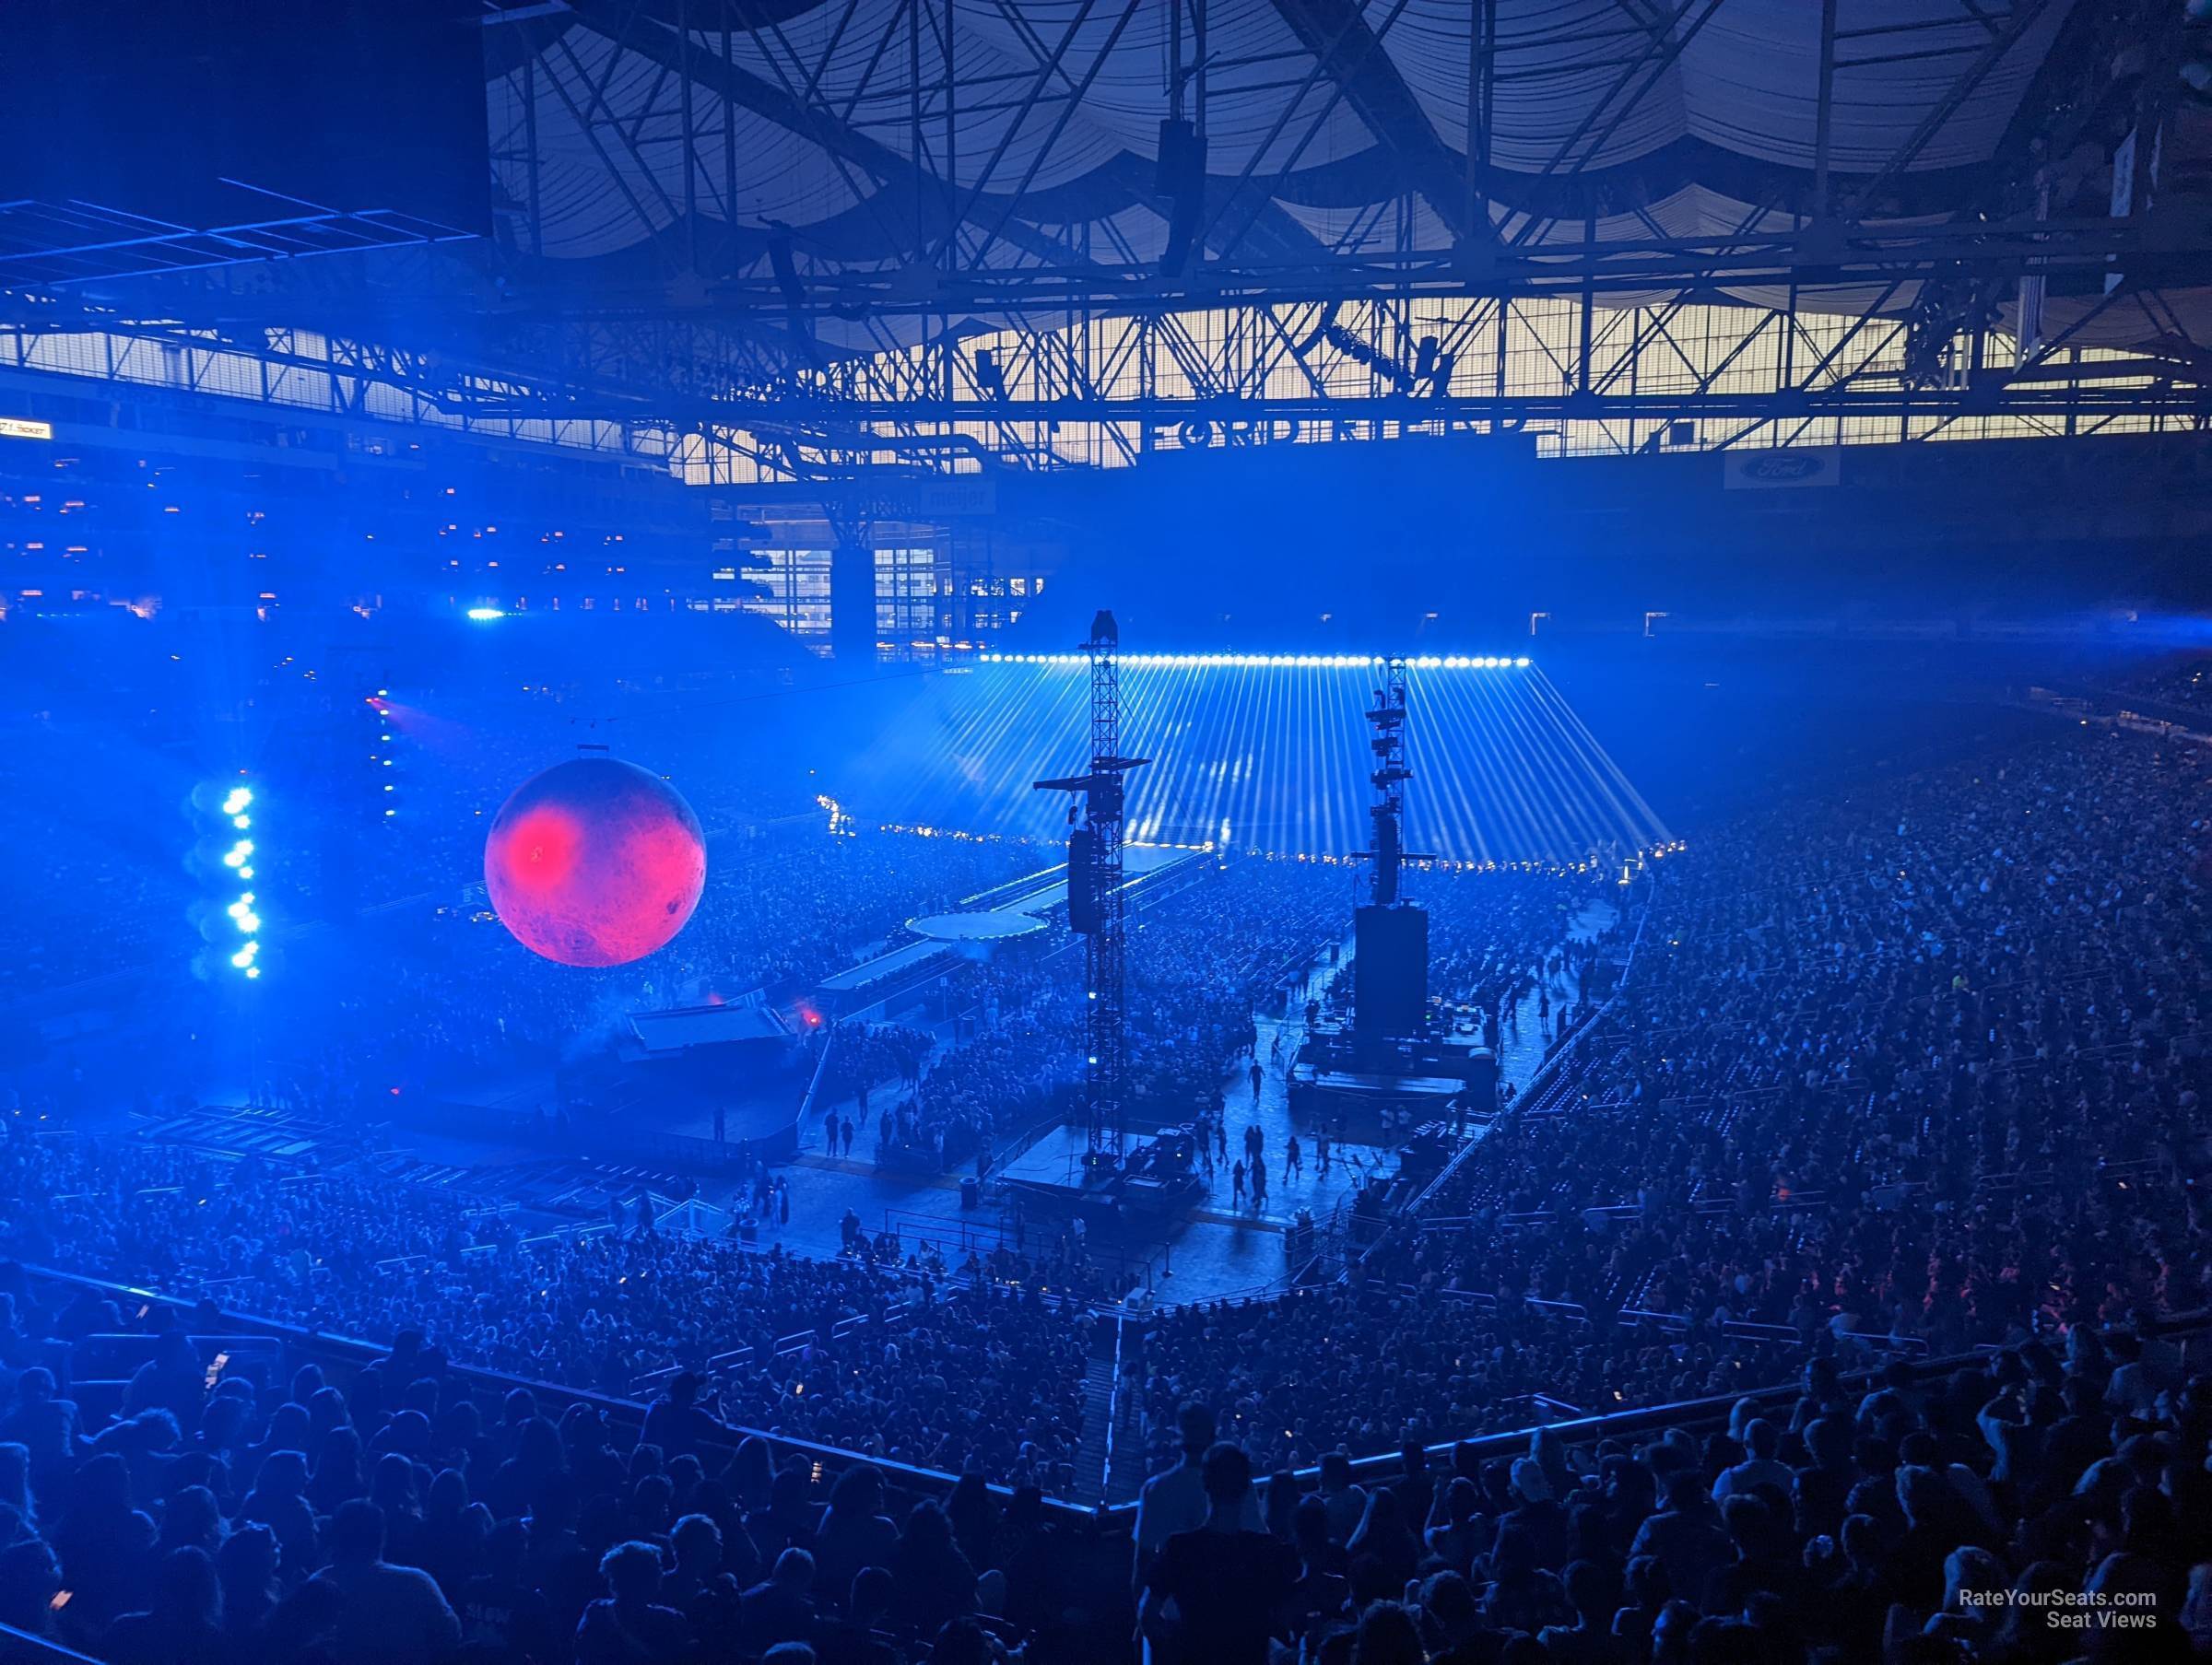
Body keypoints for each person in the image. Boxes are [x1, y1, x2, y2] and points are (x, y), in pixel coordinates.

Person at [1139, 1443, 1297, 1665]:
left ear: (1206, 1484)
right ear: (1245, 1487)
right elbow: (1286, 1615)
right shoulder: (1267, 1550)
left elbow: (1148, 1616)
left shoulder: (1179, 1548)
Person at [309, 1499, 462, 1665]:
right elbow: (450, 1635)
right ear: (382, 1537)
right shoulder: (416, 1583)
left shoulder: (317, 1585)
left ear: (336, 1537)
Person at [575, 1539, 690, 1665]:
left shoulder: (596, 1611)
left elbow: (584, 1654)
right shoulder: (669, 1620)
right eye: (658, 1568)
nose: (661, 1573)